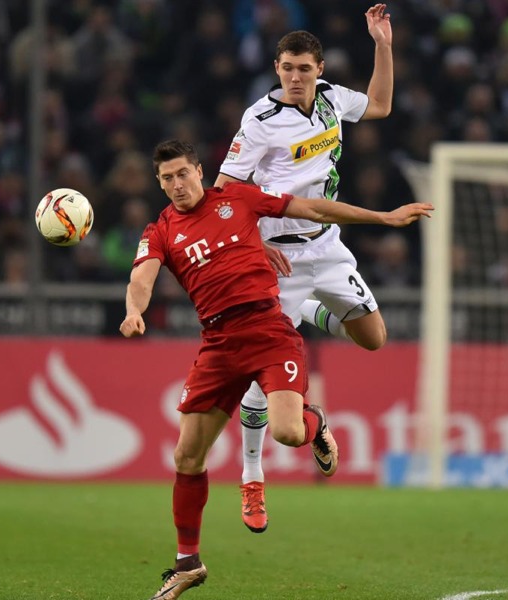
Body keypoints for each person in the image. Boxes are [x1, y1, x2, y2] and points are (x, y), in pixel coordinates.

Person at [121, 140, 432, 600]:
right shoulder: (161, 229)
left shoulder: (239, 199)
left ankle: (315, 421)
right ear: (159, 183)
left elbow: (311, 208)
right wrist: (134, 311)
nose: (177, 185)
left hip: (268, 331)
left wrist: (382, 217)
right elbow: (141, 277)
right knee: (187, 456)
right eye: (167, 178)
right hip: (218, 345)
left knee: (288, 432)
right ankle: (187, 564)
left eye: (183, 173)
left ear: (200, 171)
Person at [212, 4, 395, 532]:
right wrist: (252, 242)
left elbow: (380, 104)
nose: (295, 78)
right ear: (277, 68)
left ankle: (312, 313)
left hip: (328, 245)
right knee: (254, 380)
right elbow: (225, 193)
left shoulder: (334, 100)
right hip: (278, 256)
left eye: (304, 69)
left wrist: (382, 43)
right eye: (287, 68)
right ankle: (251, 480)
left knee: (374, 337)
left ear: (319, 69)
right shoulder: (260, 121)